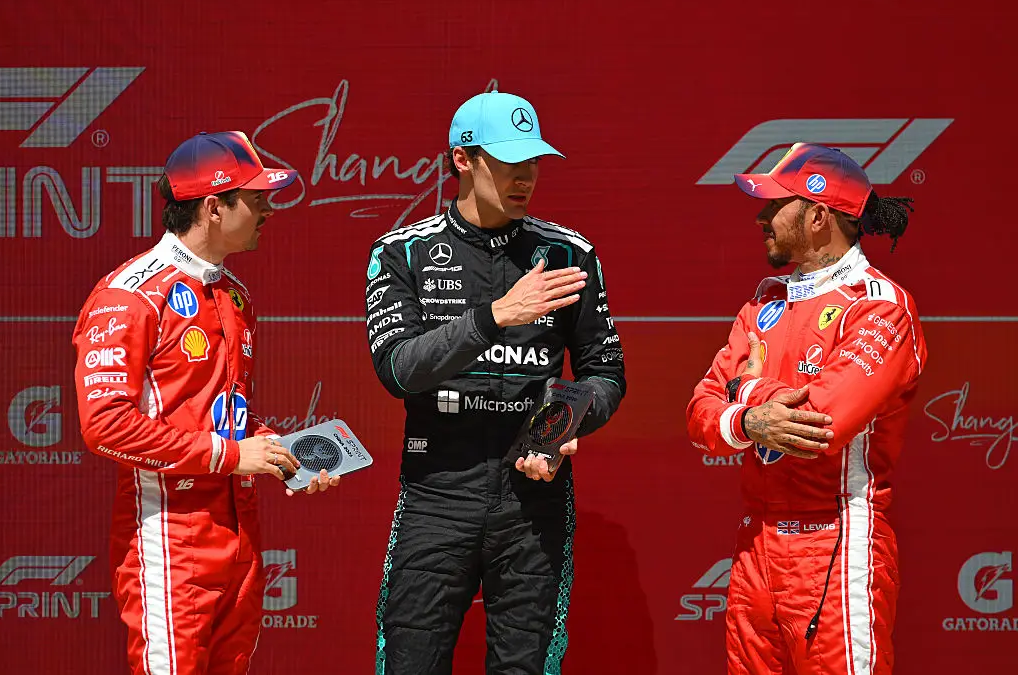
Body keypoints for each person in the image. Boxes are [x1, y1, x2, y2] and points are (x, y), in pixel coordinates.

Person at [366, 91, 626, 674]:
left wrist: (559, 425)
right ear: (463, 159)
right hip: (436, 494)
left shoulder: (568, 254)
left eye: (534, 161)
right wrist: (494, 317)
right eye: (509, 162)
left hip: (535, 497)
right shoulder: (401, 252)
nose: (526, 177)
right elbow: (398, 370)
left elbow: (604, 374)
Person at [72, 131, 339, 675]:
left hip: (239, 537)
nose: (269, 209)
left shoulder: (235, 295)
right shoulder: (130, 294)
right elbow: (104, 426)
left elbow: (226, 419)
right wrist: (233, 457)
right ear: (214, 207)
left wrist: (287, 457)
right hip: (170, 536)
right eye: (256, 197)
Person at [686, 143, 928, 674]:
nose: (760, 216)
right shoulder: (764, 302)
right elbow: (699, 411)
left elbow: (819, 423)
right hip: (755, 545)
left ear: (818, 215)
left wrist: (745, 392)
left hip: (837, 544)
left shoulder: (880, 306)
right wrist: (748, 418)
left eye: (775, 205)